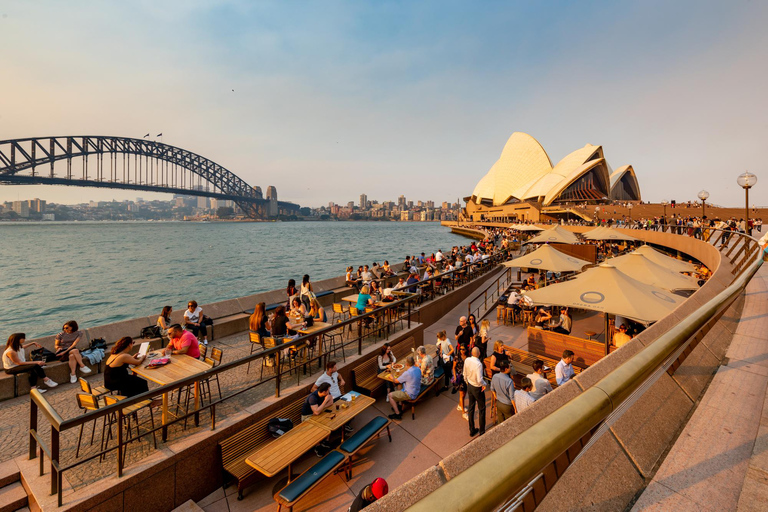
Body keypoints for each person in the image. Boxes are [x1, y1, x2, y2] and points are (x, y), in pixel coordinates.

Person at [312, 361, 353, 432]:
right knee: (342, 412)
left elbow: (339, 375)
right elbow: (313, 389)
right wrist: (325, 394)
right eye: (335, 367)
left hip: (340, 396)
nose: (336, 368)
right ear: (330, 369)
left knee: (352, 408)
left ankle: (345, 424)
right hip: (332, 399)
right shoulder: (322, 378)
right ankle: (343, 426)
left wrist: (342, 379)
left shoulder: (334, 373)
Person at [387, 356, 421, 420]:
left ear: (406, 364)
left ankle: (398, 414)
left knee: (390, 396)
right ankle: (400, 405)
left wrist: (392, 377)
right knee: (399, 385)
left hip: (410, 394)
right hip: (417, 390)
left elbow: (396, 381)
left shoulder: (407, 373)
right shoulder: (418, 369)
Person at [464, 347, 487, 436]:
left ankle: (471, 429)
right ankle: (482, 431)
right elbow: (479, 379)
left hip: (470, 385)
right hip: (477, 387)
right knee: (481, 408)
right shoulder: (478, 364)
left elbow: (464, 373)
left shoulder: (467, 360)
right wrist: (484, 384)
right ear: (479, 353)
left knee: (471, 407)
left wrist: (467, 382)